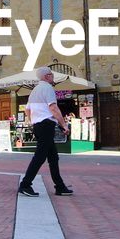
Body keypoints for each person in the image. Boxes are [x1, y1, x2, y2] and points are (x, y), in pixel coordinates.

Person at [18, 67, 74, 197]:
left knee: (53, 157)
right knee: (40, 156)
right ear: (46, 77)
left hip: (39, 125)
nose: (52, 75)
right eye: (50, 74)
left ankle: (60, 186)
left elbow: (27, 110)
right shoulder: (48, 88)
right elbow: (53, 108)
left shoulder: (35, 90)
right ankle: (25, 184)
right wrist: (64, 125)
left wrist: (34, 121)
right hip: (46, 125)